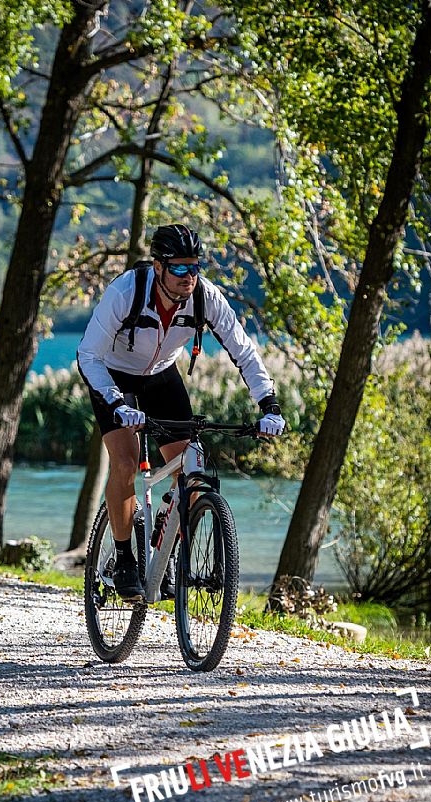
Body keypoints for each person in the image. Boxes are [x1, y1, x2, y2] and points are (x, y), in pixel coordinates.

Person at [77, 223, 285, 601]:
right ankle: (124, 559)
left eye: (195, 267)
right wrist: (116, 403)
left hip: (160, 377)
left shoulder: (205, 298)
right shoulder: (126, 292)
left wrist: (268, 404)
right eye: (180, 269)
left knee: (192, 470)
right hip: (112, 375)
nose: (190, 277)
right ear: (158, 267)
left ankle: (165, 550)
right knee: (124, 464)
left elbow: (244, 351)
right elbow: (88, 355)